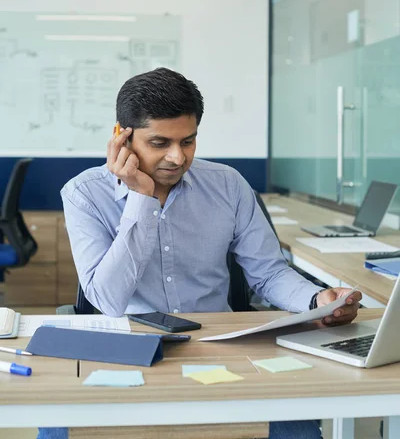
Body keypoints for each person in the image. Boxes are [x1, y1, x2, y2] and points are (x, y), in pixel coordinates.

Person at [38, 68, 361, 439]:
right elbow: (108, 300)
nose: (177, 157)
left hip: (218, 348)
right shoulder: (84, 194)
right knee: (60, 429)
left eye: (188, 142)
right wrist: (141, 198)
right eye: (160, 143)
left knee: (297, 429)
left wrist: (317, 299)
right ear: (121, 138)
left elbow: (268, 273)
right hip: (127, 350)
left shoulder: (227, 184)